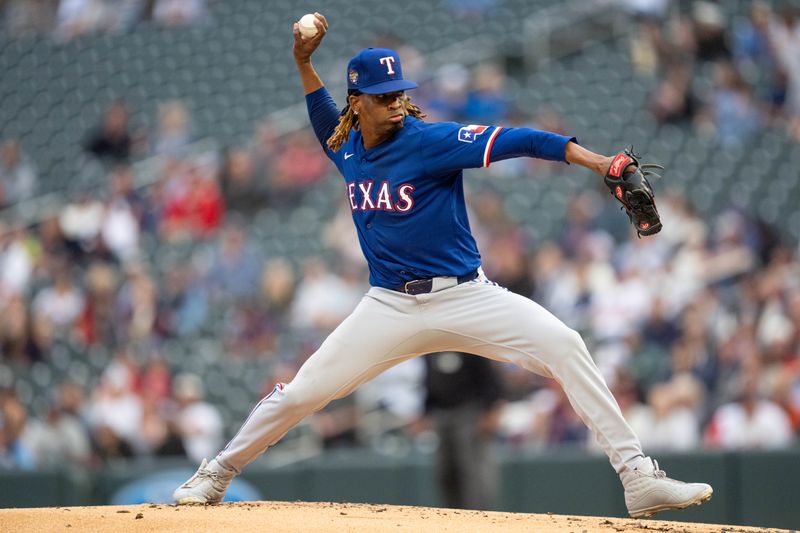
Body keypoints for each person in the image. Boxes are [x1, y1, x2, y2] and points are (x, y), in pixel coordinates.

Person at [174, 13, 713, 519]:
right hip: (388, 304)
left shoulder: (430, 141)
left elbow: (520, 139)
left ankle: (637, 476)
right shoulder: (345, 145)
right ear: (356, 101)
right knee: (304, 392)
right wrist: (302, 59)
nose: (395, 103)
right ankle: (217, 472)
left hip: (465, 295)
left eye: (399, 93)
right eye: (383, 96)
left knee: (566, 344)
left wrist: (599, 161)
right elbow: (318, 106)